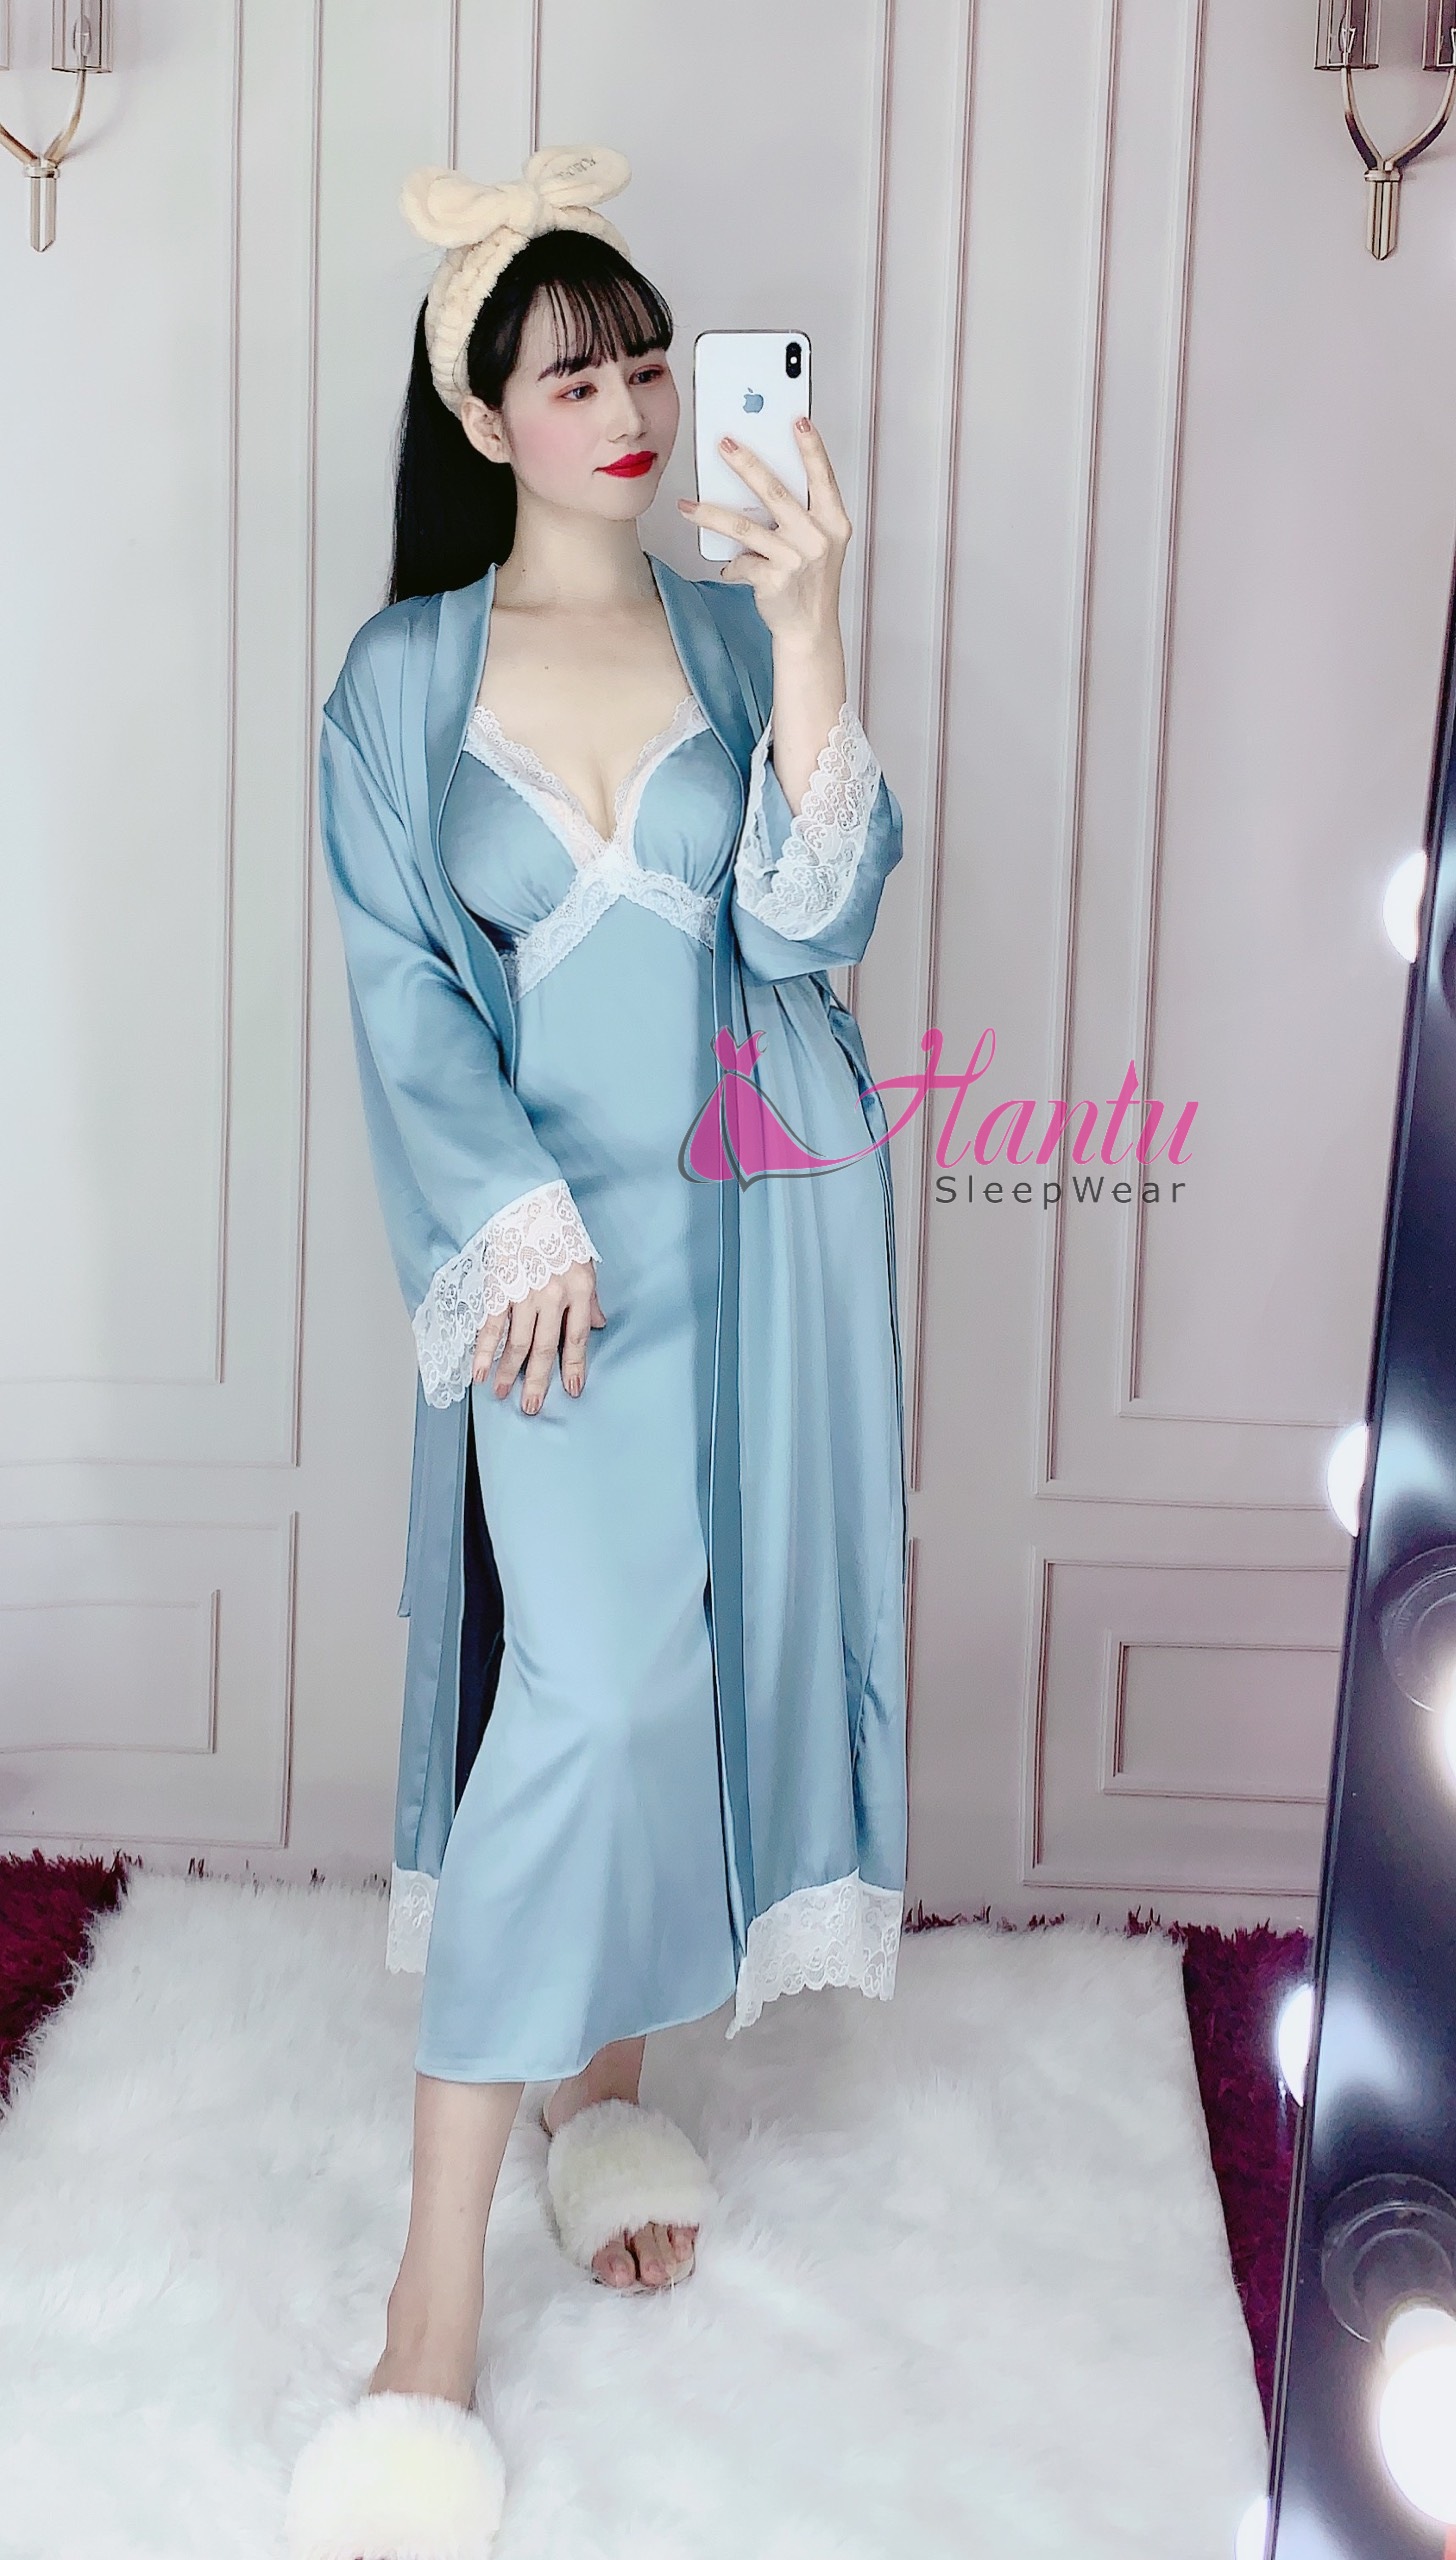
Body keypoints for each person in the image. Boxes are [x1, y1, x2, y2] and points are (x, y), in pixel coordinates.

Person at [285, 144, 910, 2560]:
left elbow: (809, 921)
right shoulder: (402, 676)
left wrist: (815, 627)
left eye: (648, 354)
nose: (633, 399)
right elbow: (399, 992)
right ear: (484, 413)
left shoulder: (731, 636)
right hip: (548, 1266)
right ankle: (429, 2283)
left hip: (755, 1235)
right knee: (586, 1685)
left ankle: (597, 2092)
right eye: (576, 371)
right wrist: (503, 1214)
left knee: (679, 1671)